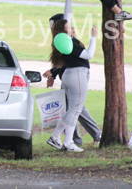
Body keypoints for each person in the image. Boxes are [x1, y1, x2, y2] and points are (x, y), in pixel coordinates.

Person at [43, 17, 101, 146]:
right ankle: (69, 142)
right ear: (62, 30)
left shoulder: (65, 42)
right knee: (76, 110)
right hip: (76, 74)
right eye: (69, 27)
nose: (73, 28)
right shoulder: (68, 42)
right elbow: (88, 55)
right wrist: (94, 37)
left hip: (69, 75)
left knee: (72, 110)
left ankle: (56, 137)